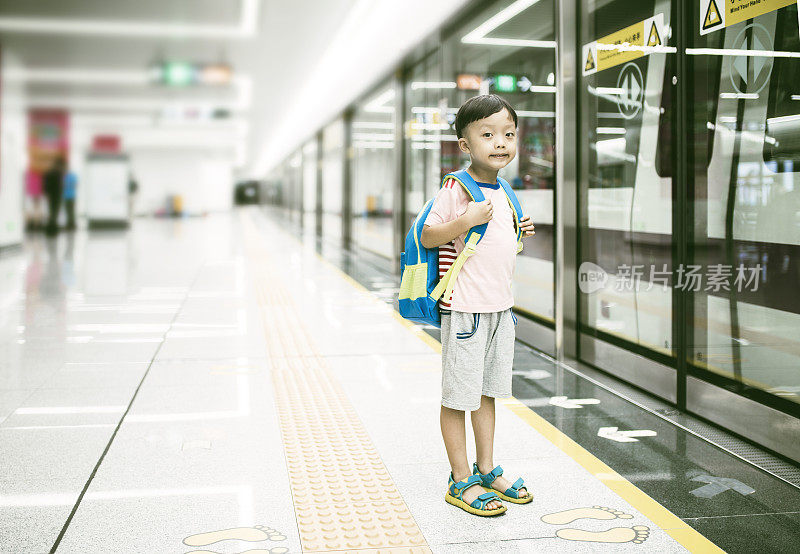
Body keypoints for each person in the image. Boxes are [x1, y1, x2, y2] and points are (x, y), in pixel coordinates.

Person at [420, 94, 536, 516]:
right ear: (465, 145)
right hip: (465, 310)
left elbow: (498, 247)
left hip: (500, 310)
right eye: (487, 134)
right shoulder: (457, 188)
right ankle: (459, 478)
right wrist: (465, 220)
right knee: (458, 397)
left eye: (508, 134)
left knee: (487, 393)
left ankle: (486, 469)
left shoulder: (504, 190)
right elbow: (428, 237)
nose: (500, 142)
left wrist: (518, 229)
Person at [43, 156, 66, 236]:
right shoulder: (58, 173)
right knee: (54, 213)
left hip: (52, 195)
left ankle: (51, 229)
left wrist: (46, 193)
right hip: (56, 195)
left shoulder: (50, 172)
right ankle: (52, 230)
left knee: (52, 212)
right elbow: (60, 185)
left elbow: (46, 185)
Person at [63, 166, 78, 231]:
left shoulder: (64, 177)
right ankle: (71, 224)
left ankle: (70, 224)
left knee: (69, 211)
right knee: (70, 211)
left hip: (68, 196)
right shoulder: (73, 176)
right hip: (70, 196)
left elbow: (62, 185)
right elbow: (76, 185)